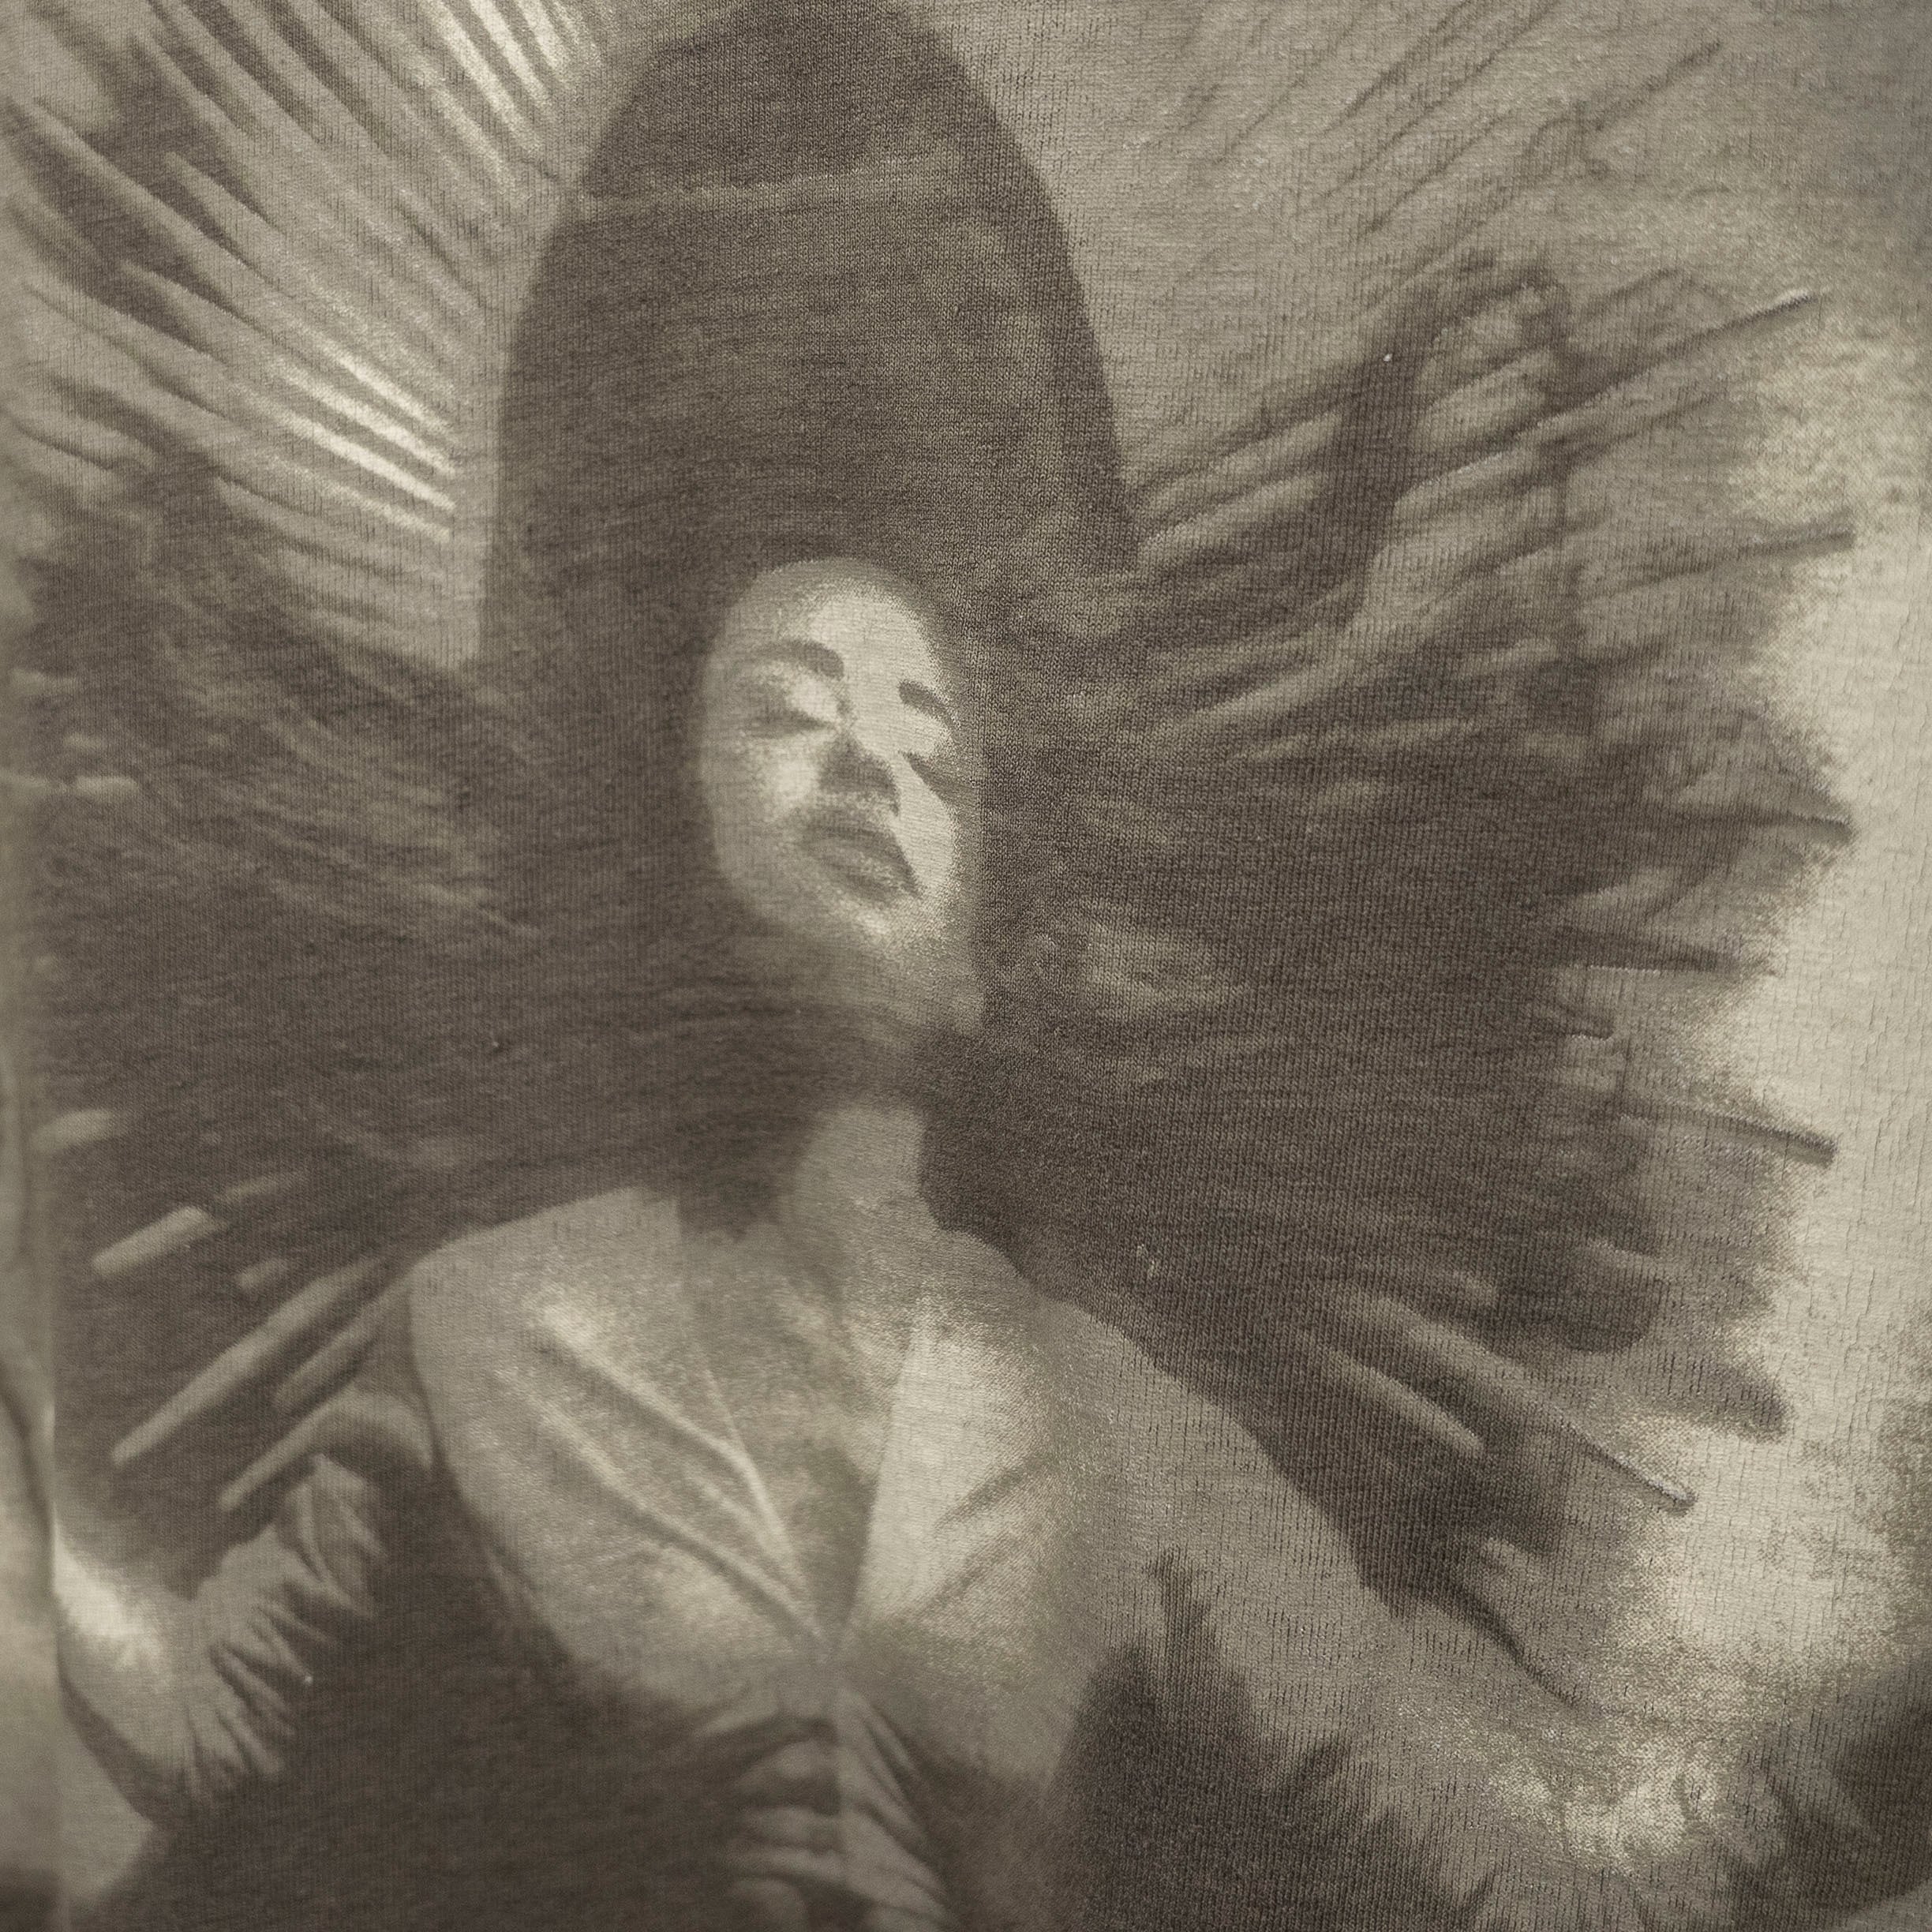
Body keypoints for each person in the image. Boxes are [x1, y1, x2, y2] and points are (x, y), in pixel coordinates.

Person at [52, 550, 1932, 1932]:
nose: (863, 763)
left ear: (975, 947)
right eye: (785, 710)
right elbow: (204, 1731)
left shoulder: (1115, 1431)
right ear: (673, 862)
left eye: (928, 746)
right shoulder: (480, 1331)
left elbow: (1545, 1886)